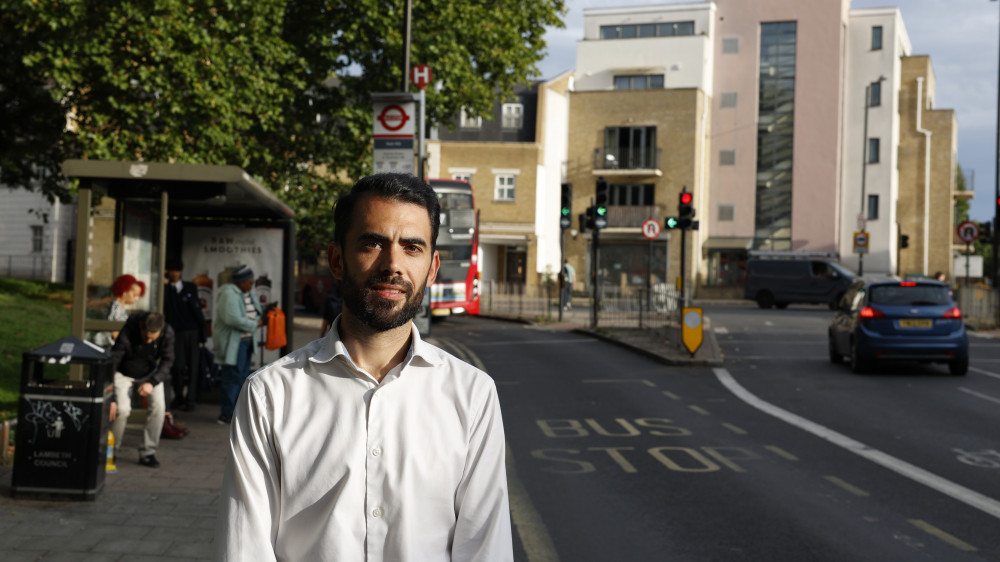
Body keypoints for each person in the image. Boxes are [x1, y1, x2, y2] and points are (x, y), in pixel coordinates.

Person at [217, 173, 512, 561]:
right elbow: (244, 549)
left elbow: (485, 548)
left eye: (412, 247)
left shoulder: (473, 394)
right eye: (373, 243)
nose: (393, 264)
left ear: (433, 267)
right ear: (337, 259)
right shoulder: (270, 394)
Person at [110, 311, 174, 468]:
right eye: (146, 337)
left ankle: (148, 452)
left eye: (153, 338)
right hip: (124, 371)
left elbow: (168, 361)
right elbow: (114, 361)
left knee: (159, 408)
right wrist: (111, 395)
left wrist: (152, 382)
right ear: (140, 327)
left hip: (150, 373)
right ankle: (112, 450)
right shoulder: (128, 331)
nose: (149, 340)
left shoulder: (167, 332)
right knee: (122, 409)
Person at [214, 264, 263, 425]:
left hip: (247, 341)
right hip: (234, 343)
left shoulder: (247, 291)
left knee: (242, 377)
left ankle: (237, 412)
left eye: (252, 282)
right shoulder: (229, 293)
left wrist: (264, 314)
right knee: (232, 377)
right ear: (240, 282)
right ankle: (226, 414)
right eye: (249, 282)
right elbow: (232, 319)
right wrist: (256, 324)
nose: (251, 285)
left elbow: (256, 312)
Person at [164, 258, 207, 412]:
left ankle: (191, 399)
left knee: (193, 366)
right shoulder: (166, 289)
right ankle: (178, 396)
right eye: (171, 270)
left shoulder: (189, 287)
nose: (174, 274)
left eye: (176, 271)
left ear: (181, 272)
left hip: (192, 332)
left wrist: (203, 334)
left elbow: (196, 309)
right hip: (176, 333)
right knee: (178, 366)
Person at [95, 274, 145, 348]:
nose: (136, 299)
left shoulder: (118, 307)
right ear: (124, 291)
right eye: (134, 295)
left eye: (138, 296)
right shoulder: (115, 307)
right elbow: (114, 332)